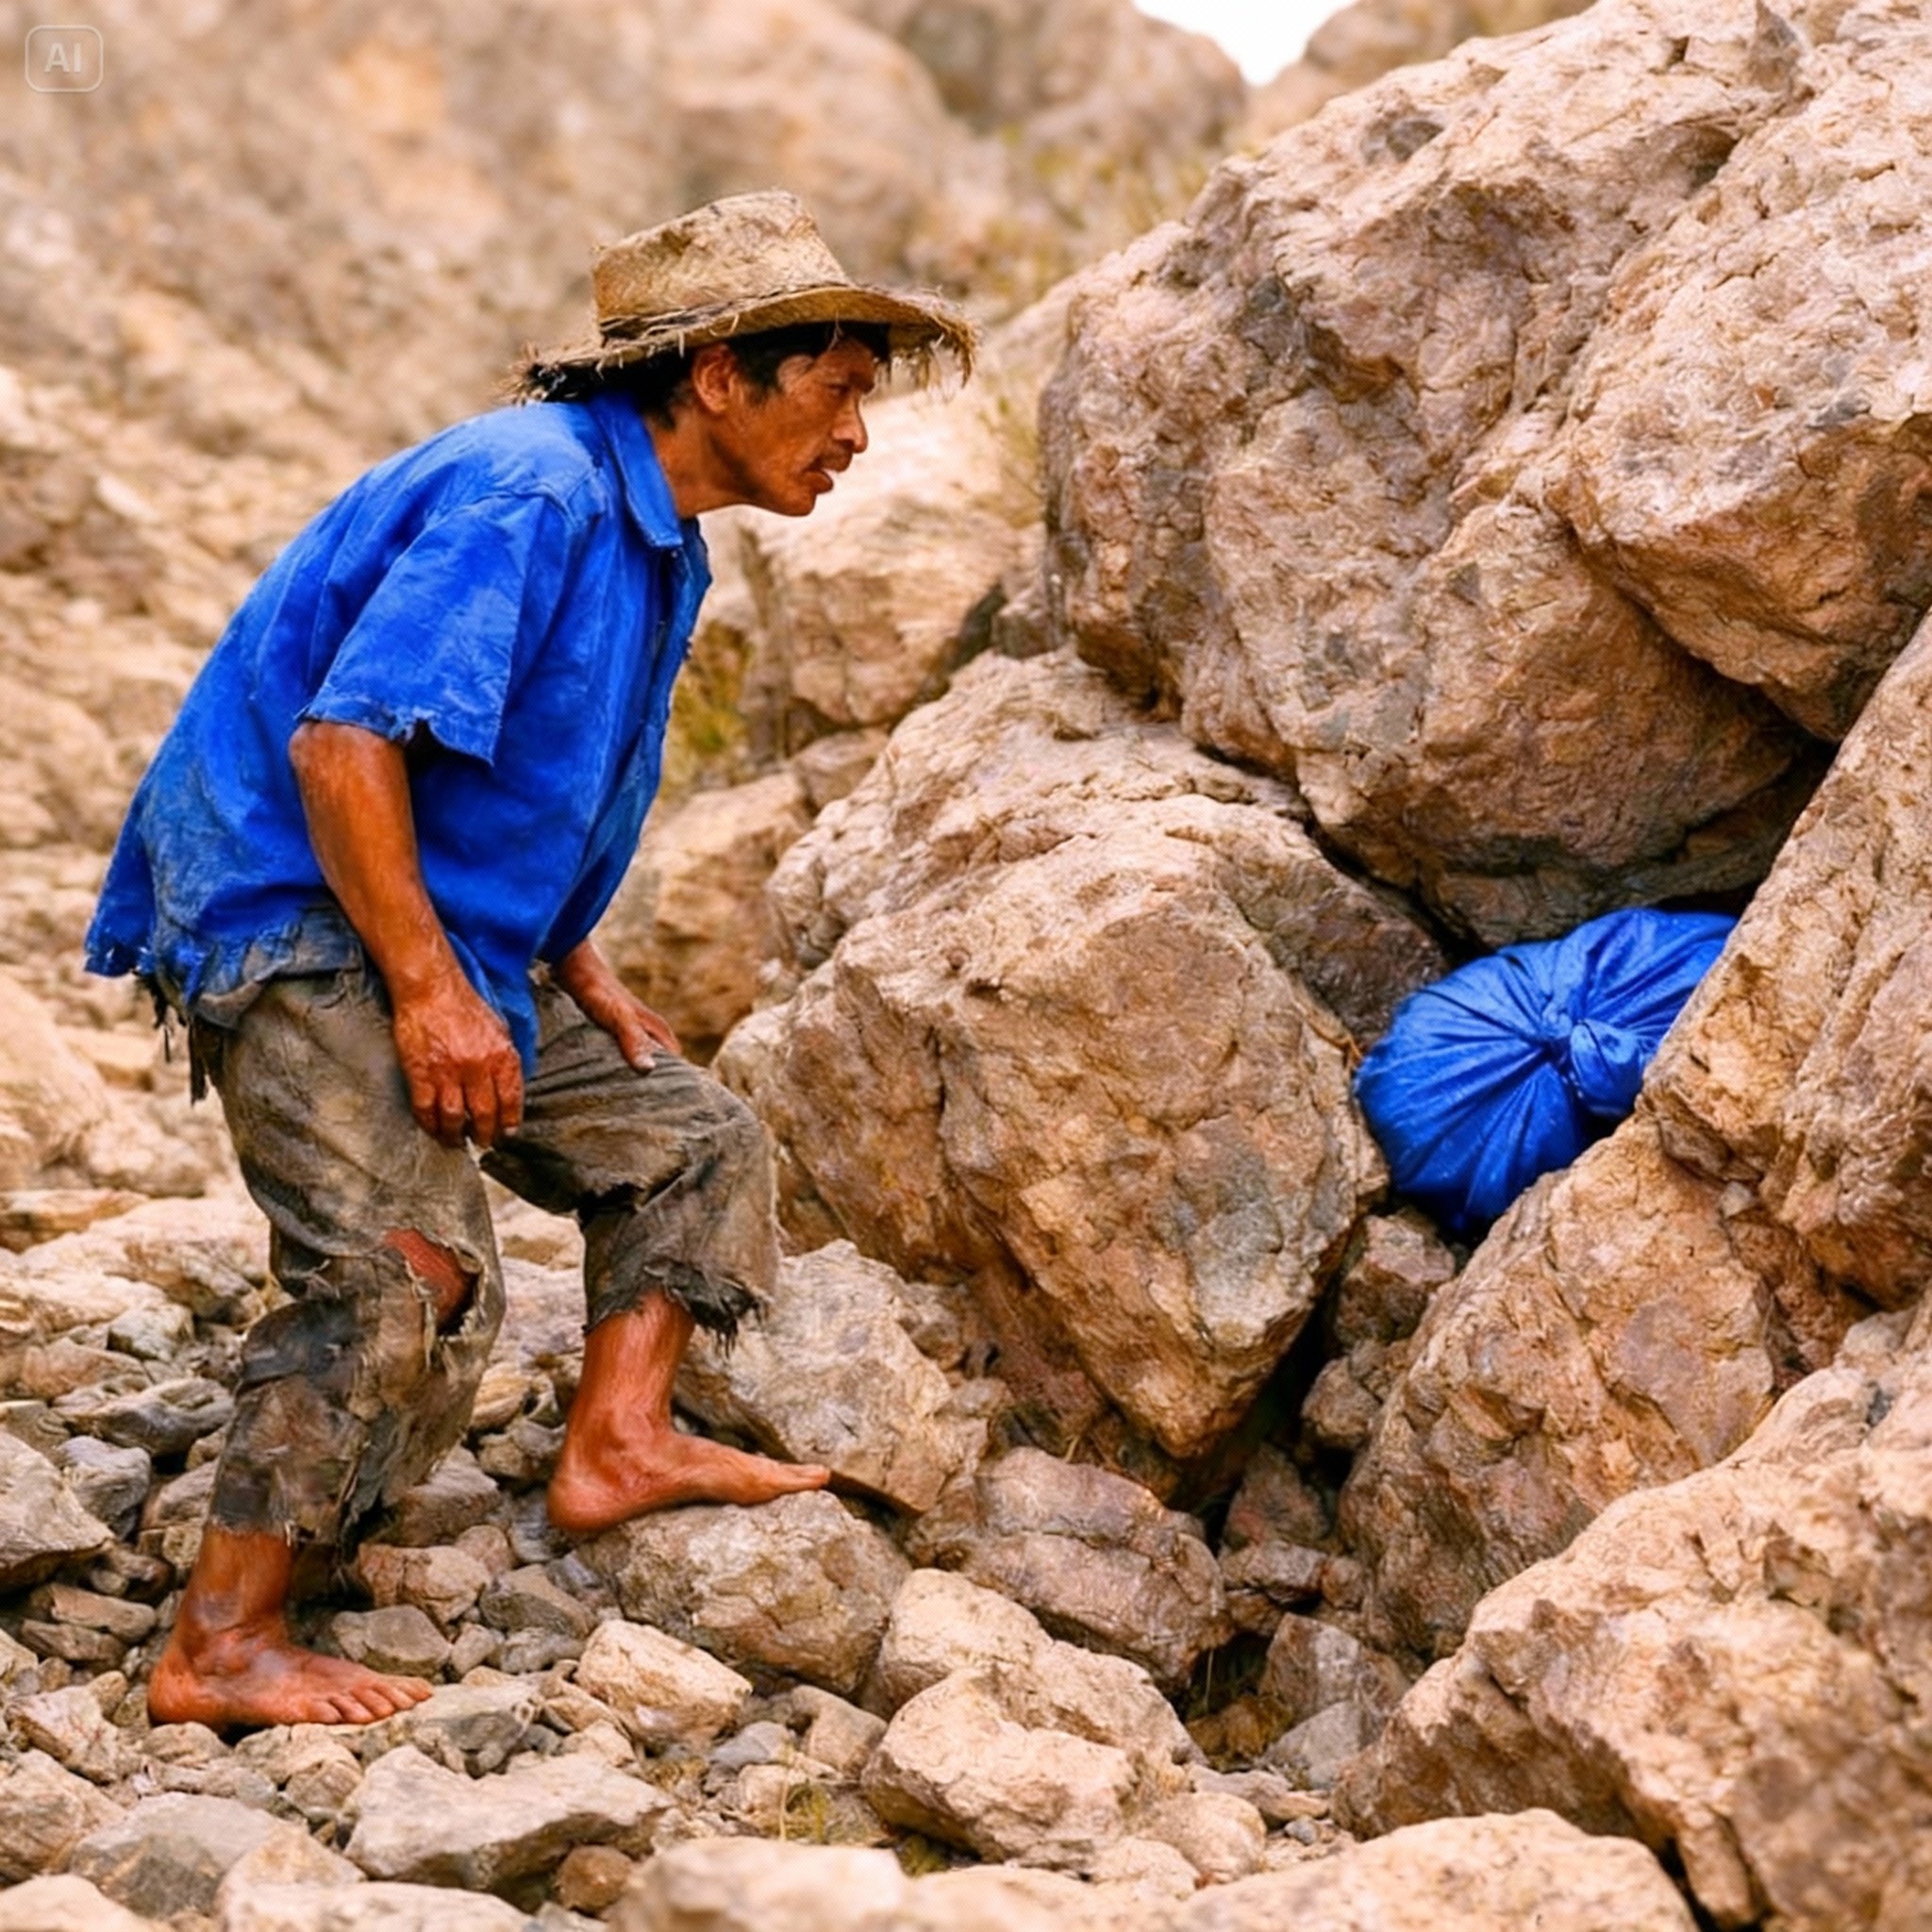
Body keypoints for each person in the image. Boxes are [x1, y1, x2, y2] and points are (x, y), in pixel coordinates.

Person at [82, 191, 974, 1730]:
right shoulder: (535, 491)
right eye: (837, 390)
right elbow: (346, 746)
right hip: (297, 919)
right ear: (719, 377)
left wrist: (568, 956)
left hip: (441, 933)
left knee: (695, 1139)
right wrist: (435, 994)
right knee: (409, 1275)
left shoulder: (661, 543)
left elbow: (519, 780)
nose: (855, 435)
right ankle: (217, 1642)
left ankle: (615, 1444)